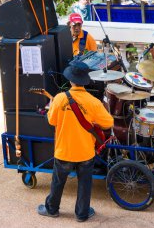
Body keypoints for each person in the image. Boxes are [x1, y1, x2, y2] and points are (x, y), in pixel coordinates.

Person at [37, 61, 114, 222]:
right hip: (85, 151)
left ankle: (52, 209)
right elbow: (109, 123)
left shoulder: (58, 99)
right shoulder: (94, 102)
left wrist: (52, 107)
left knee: (58, 182)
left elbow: (51, 121)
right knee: (85, 184)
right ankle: (82, 213)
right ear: (85, 80)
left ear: (71, 80)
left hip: (63, 150)